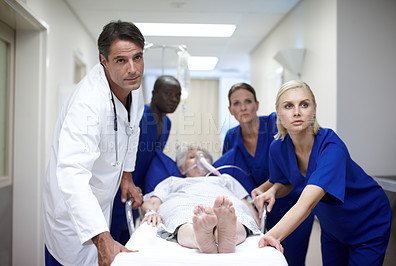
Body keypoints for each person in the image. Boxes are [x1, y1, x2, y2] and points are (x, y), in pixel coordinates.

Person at [254, 80, 392, 266]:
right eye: (288, 106)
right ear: (278, 113)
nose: (297, 112)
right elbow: (286, 182)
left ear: (314, 109)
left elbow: (306, 203)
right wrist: (273, 191)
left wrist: (270, 237)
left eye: (304, 104)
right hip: (333, 227)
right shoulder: (277, 148)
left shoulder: (331, 147)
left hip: (367, 219)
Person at [42, 20, 146, 266]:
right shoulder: (87, 104)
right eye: (121, 60)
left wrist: (127, 176)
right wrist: (102, 239)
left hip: (101, 202)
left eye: (138, 57)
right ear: (104, 61)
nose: (133, 68)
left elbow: (134, 128)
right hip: (72, 218)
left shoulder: (133, 84)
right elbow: (71, 174)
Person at [218, 82, 313, 265]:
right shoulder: (232, 137)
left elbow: (293, 168)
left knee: (293, 260)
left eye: (248, 101)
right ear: (230, 110)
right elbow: (230, 176)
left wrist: (264, 188)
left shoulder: (274, 124)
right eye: (236, 104)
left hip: (293, 205)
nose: (243, 107)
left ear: (257, 104)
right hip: (261, 213)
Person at [140, 143, 262, 253]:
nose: (199, 159)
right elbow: (153, 202)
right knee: (182, 220)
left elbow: (245, 203)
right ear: (182, 169)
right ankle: (199, 237)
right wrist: (150, 212)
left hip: (222, 204)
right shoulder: (172, 182)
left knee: (238, 217)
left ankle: (227, 235)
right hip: (184, 203)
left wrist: (257, 220)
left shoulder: (225, 179)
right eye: (192, 157)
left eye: (203, 156)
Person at [111, 75, 181, 245]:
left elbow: (154, 159)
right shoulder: (138, 117)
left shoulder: (167, 123)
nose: (174, 100)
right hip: (118, 188)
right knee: (111, 236)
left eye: (177, 95)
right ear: (154, 93)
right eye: (168, 94)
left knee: (128, 237)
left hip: (138, 191)